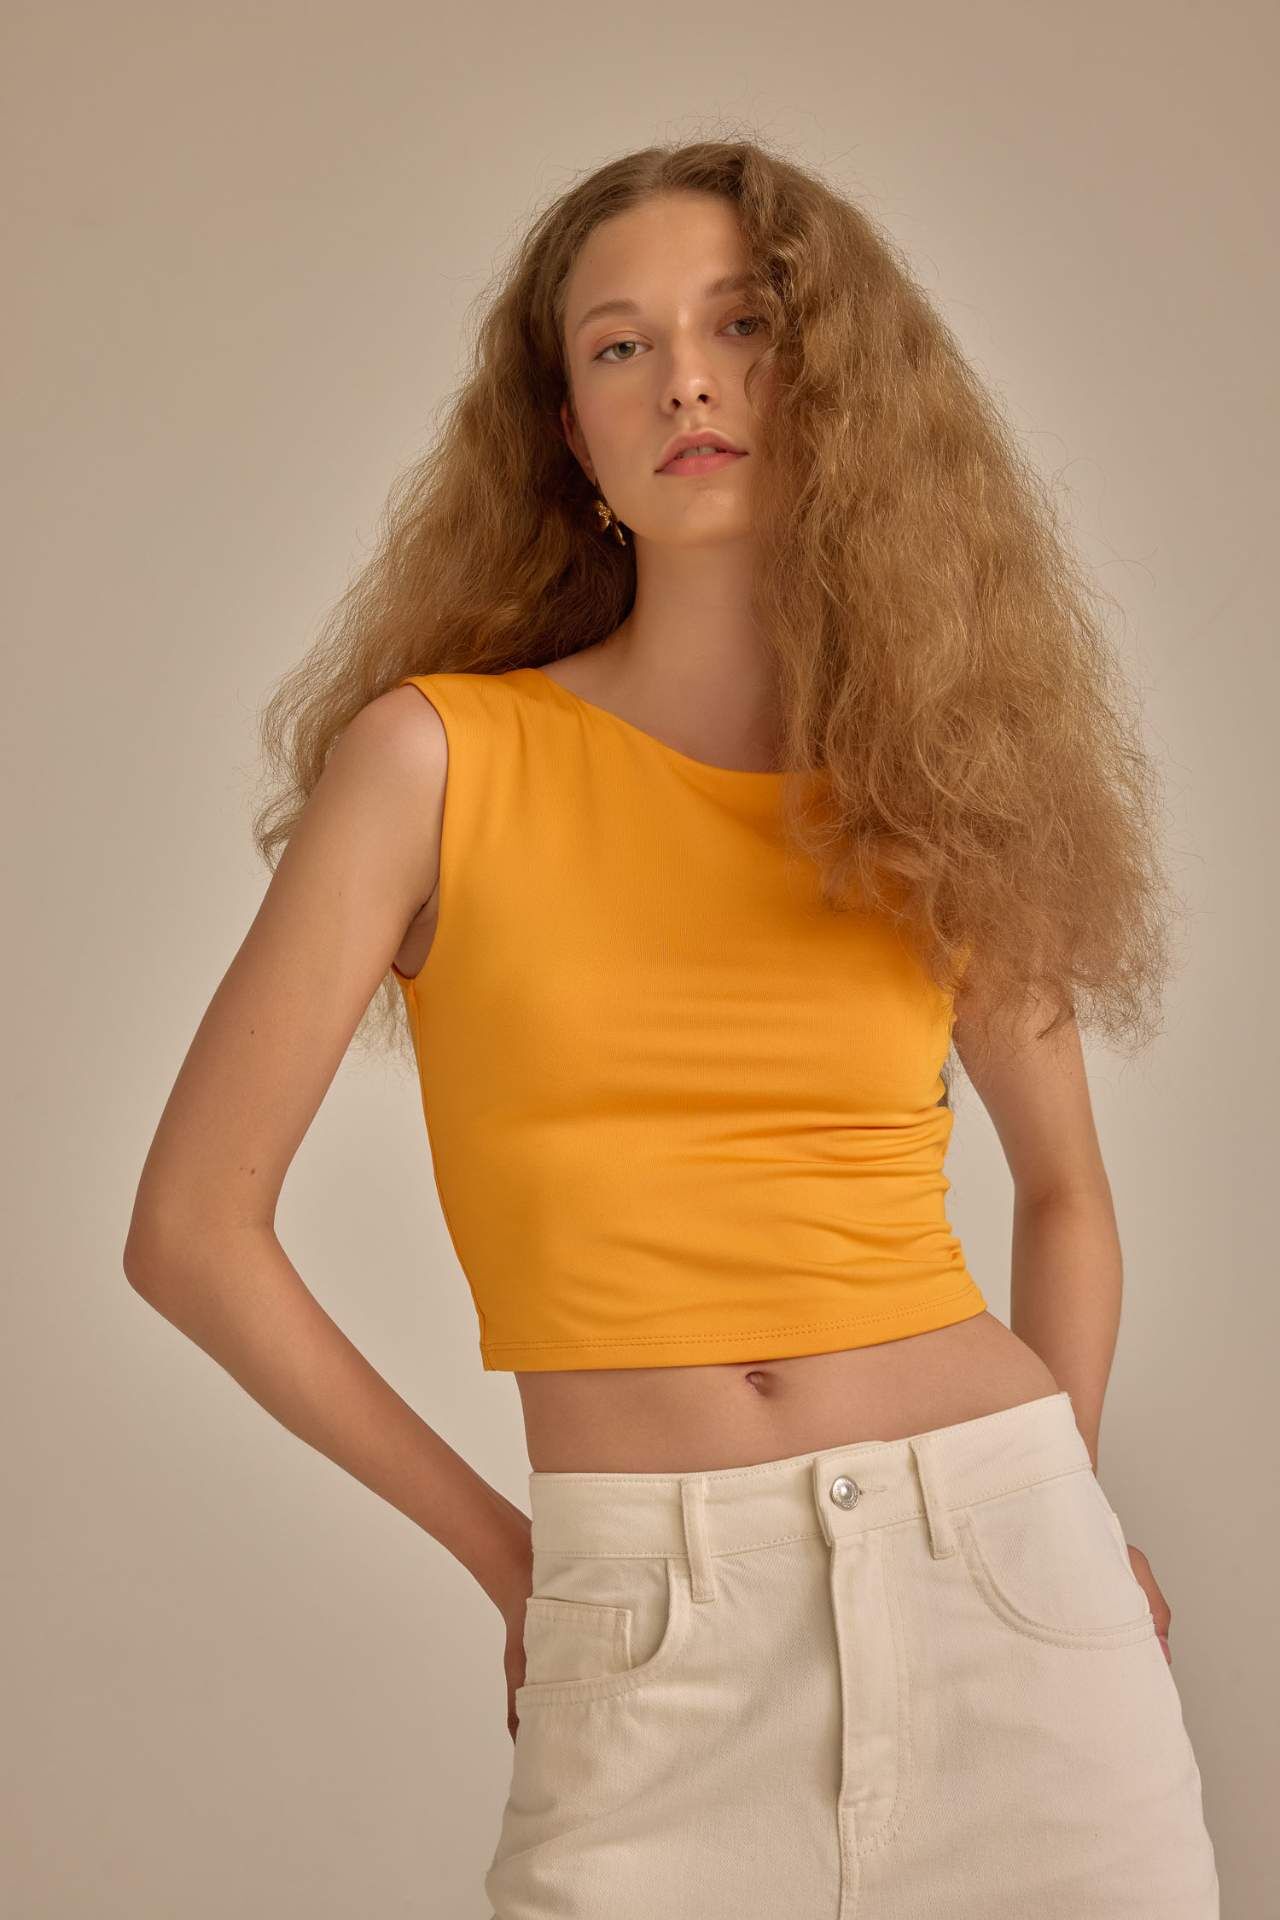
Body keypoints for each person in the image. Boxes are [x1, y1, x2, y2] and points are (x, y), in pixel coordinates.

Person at [124, 138, 1220, 1916]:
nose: (687, 380)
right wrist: (514, 1561)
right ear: (571, 430)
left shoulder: (939, 779)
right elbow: (189, 1232)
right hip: (649, 1630)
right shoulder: (435, 761)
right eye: (620, 345)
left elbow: (1068, 1196)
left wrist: (1068, 1517)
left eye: (743, 323)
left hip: (1014, 1590)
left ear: (832, 379)